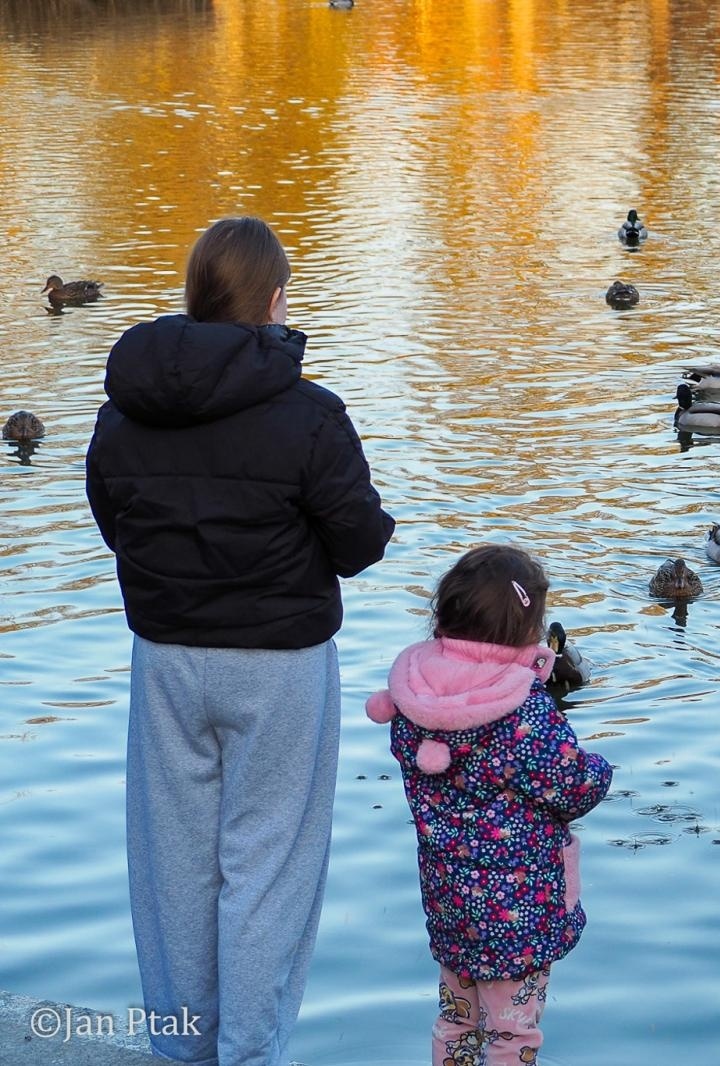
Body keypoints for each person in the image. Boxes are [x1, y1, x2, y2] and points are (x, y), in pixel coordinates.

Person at [85, 216, 395, 1065]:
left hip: (169, 661)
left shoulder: (124, 411)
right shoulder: (311, 415)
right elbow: (360, 545)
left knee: (173, 869)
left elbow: (119, 525)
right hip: (282, 667)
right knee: (269, 867)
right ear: (275, 298)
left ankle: (183, 1049)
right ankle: (251, 1054)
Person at [365, 544, 613, 1066]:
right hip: (517, 912)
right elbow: (572, 787)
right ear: (526, 629)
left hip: (449, 900)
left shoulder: (412, 697)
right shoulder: (522, 709)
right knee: (512, 1034)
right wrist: (600, 770)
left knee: (456, 1020)